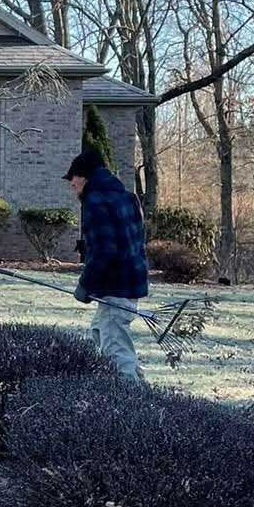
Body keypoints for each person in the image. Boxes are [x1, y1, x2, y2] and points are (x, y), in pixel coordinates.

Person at [63, 147, 148, 380]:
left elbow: (104, 250)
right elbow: (134, 240)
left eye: (73, 181)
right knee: (101, 330)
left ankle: (131, 397)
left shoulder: (95, 200)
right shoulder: (127, 197)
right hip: (131, 283)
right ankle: (137, 387)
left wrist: (85, 285)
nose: (72, 186)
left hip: (115, 285)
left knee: (114, 346)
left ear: (83, 177)